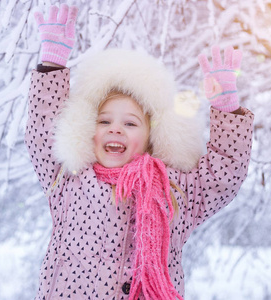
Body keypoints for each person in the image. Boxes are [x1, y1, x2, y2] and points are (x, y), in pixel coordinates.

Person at [25, 4, 254, 300]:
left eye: (130, 123)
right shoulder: (68, 179)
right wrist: (52, 65)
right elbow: (44, 134)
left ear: (150, 137)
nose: (115, 129)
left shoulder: (175, 189)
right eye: (103, 120)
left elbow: (223, 176)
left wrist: (226, 110)